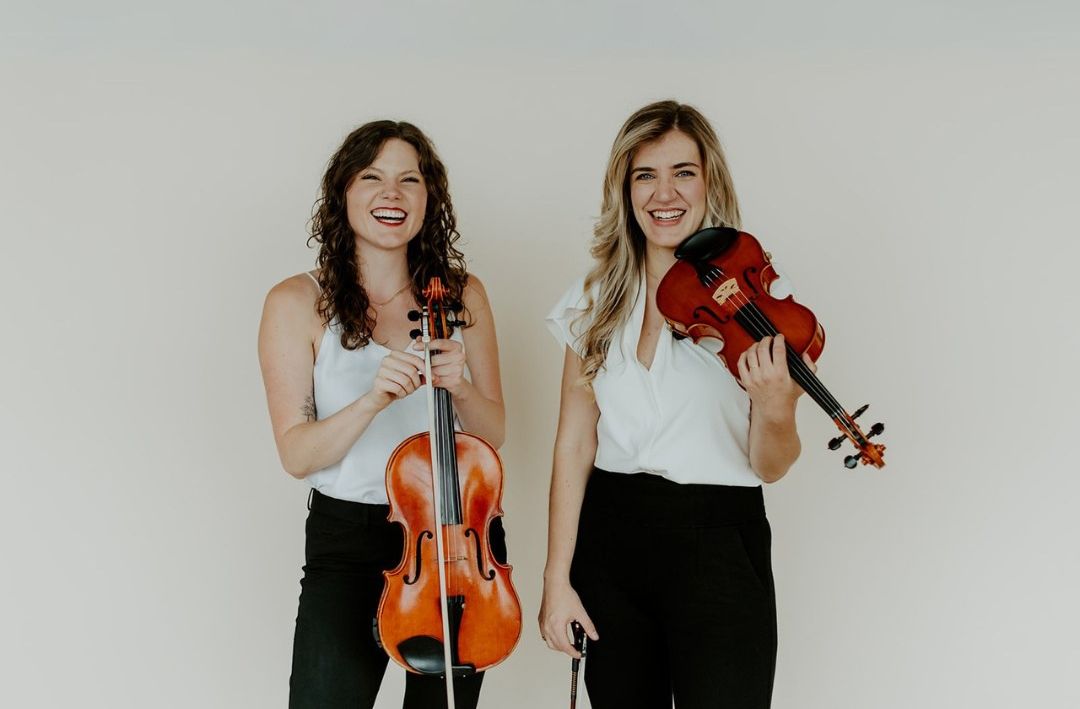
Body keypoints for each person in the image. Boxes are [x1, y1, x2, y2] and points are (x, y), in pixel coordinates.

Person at [538, 100, 813, 709]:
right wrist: (557, 580)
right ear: (624, 188)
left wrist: (775, 407)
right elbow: (574, 443)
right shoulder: (592, 298)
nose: (665, 193)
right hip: (611, 541)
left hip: (718, 539)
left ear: (709, 180)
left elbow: (771, 465)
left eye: (683, 172)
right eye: (645, 175)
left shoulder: (762, 299)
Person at [258, 120, 506, 709]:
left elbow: (494, 435)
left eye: (409, 180)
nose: (391, 194)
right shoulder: (296, 303)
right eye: (372, 177)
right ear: (343, 192)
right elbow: (297, 455)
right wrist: (372, 399)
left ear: (429, 199)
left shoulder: (462, 295)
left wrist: (460, 387)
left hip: (453, 538)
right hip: (346, 540)